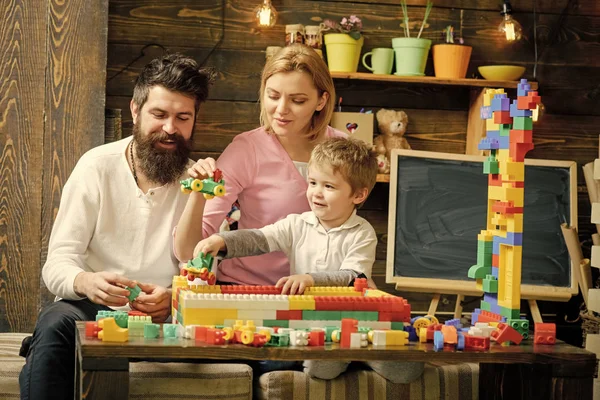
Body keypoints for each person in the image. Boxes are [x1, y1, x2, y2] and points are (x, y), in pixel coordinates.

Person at [19, 53, 214, 400]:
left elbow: (199, 268)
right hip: (92, 309)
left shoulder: (197, 181)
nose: (171, 128)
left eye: (183, 117)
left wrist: (174, 299)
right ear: (135, 111)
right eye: (159, 114)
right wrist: (87, 281)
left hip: (165, 319)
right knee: (54, 322)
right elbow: (58, 264)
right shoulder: (96, 167)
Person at [193, 137, 425, 383]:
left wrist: (310, 279)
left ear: (358, 194)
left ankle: (360, 350)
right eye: (313, 182)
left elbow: (354, 276)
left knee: (406, 370)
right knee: (314, 367)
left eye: (329, 186)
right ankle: (346, 353)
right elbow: (260, 238)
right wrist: (222, 241)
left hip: (354, 319)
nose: (316, 192)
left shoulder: (362, 232)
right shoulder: (297, 223)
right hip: (312, 323)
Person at [174, 44, 346, 286]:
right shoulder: (247, 149)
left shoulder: (344, 148)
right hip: (248, 290)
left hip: (321, 292)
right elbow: (188, 250)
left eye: (297, 100)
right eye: (273, 96)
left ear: (321, 100)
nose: (281, 110)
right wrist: (198, 193)